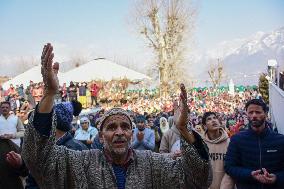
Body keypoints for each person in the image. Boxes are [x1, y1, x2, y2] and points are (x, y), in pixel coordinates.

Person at [22, 43, 211, 189]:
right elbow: (39, 159)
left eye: (125, 126)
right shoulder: (82, 162)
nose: (119, 132)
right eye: (111, 127)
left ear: (131, 132)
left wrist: (184, 130)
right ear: (101, 135)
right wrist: (49, 94)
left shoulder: (152, 164)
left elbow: (198, 180)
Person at [225, 99, 284, 189]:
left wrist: (277, 177)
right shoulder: (237, 139)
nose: (254, 115)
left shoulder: (280, 140)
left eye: (258, 112)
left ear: (266, 113)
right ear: (246, 114)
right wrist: (249, 174)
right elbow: (229, 167)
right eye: (251, 112)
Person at [201, 112, 230, 189]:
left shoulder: (229, 143)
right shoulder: (201, 145)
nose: (213, 120)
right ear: (204, 126)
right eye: (209, 119)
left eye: (215, 118)